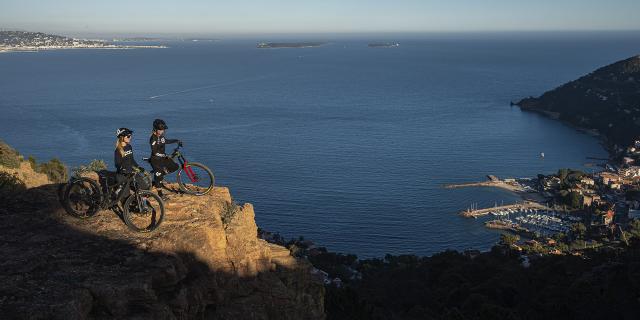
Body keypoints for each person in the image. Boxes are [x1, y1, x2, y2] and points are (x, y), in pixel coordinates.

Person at [149, 119, 181, 200]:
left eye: (163, 130)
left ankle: (158, 176)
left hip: (162, 158)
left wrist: (176, 140)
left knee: (175, 166)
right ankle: (160, 194)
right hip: (155, 160)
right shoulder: (153, 138)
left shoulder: (161, 136)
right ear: (155, 129)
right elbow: (155, 152)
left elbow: (166, 141)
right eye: (160, 130)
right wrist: (164, 155)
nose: (162, 131)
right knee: (159, 176)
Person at [114, 128, 144, 202]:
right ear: (122, 137)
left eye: (130, 136)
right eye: (128, 136)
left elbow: (132, 160)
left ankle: (141, 204)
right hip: (122, 174)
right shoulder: (118, 150)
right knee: (125, 196)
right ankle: (125, 211)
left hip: (131, 172)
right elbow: (117, 164)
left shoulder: (129, 147)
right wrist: (123, 170)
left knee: (144, 186)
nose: (130, 137)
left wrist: (138, 167)